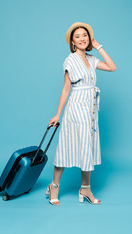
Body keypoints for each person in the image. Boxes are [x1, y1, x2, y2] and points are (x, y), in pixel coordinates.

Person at [46, 22, 117, 206]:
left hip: (90, 109)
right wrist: (57, 114)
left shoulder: (92, 60)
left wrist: (99, 46)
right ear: (72, 41)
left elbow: (112, 67)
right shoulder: (70, 60)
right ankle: (54, 185)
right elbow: (66, 89)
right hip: (76, 107)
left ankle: (85, 189)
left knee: (88, 147)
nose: (82, 38)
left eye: (85, 35)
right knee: (66, 146)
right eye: (77, 36)